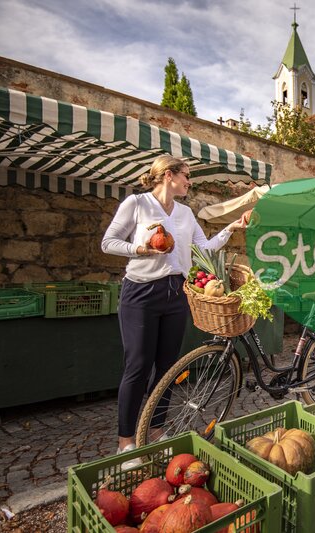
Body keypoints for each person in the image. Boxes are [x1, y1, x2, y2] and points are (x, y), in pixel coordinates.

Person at [101, 155, 247, 467]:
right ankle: (125, 443)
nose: (189, 182)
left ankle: (156, 431)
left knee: (168, 367)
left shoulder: (184, 212)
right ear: (169, 175)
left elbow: (202, 249)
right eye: (186, 176)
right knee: (138, 366)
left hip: (176, 294)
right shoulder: (137, 204)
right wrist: (140, 249)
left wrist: (231, 228)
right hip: (140, 293)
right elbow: (108, 242)